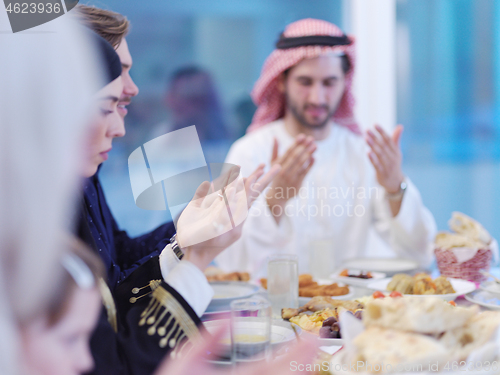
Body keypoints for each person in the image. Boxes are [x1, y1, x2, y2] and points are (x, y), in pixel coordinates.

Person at [74, 6, 282, 374]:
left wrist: (187, 232)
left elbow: (118, 264)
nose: (133, 87)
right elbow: (113, 358)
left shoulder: (84, 175)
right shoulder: (48, 196)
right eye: (120, 69)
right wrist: (194, 254)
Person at [216, 19, 437, 277]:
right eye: (305, 82)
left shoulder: (362, 153)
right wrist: (277, 199)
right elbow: (230, 264)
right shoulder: (250, 152)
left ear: (344, 84)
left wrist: (394, 188)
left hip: (350, 310)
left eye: (329, 83)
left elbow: (420, 255)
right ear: (281, 81)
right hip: (271, 310)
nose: (317, 98)